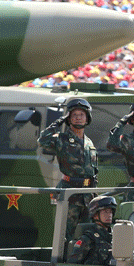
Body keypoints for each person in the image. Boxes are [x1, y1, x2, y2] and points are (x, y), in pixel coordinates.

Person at [38, 97, 98, 240]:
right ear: (69, 119)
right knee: (66, 234)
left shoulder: (89, 142)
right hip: (70, 193)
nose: (78, 118)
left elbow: (93, 169)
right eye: (74, 115)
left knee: (87, 233)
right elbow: (42, 140)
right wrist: (58, 122)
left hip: (87, 194)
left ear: (87, 118)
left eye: (81, 115)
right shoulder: (61, 138)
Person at [67, 196, 116, 265]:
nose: (109, 215)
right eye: (105, 212)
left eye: (111, 212)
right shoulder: (88, 239)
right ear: (95, 215)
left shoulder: (115, 236)